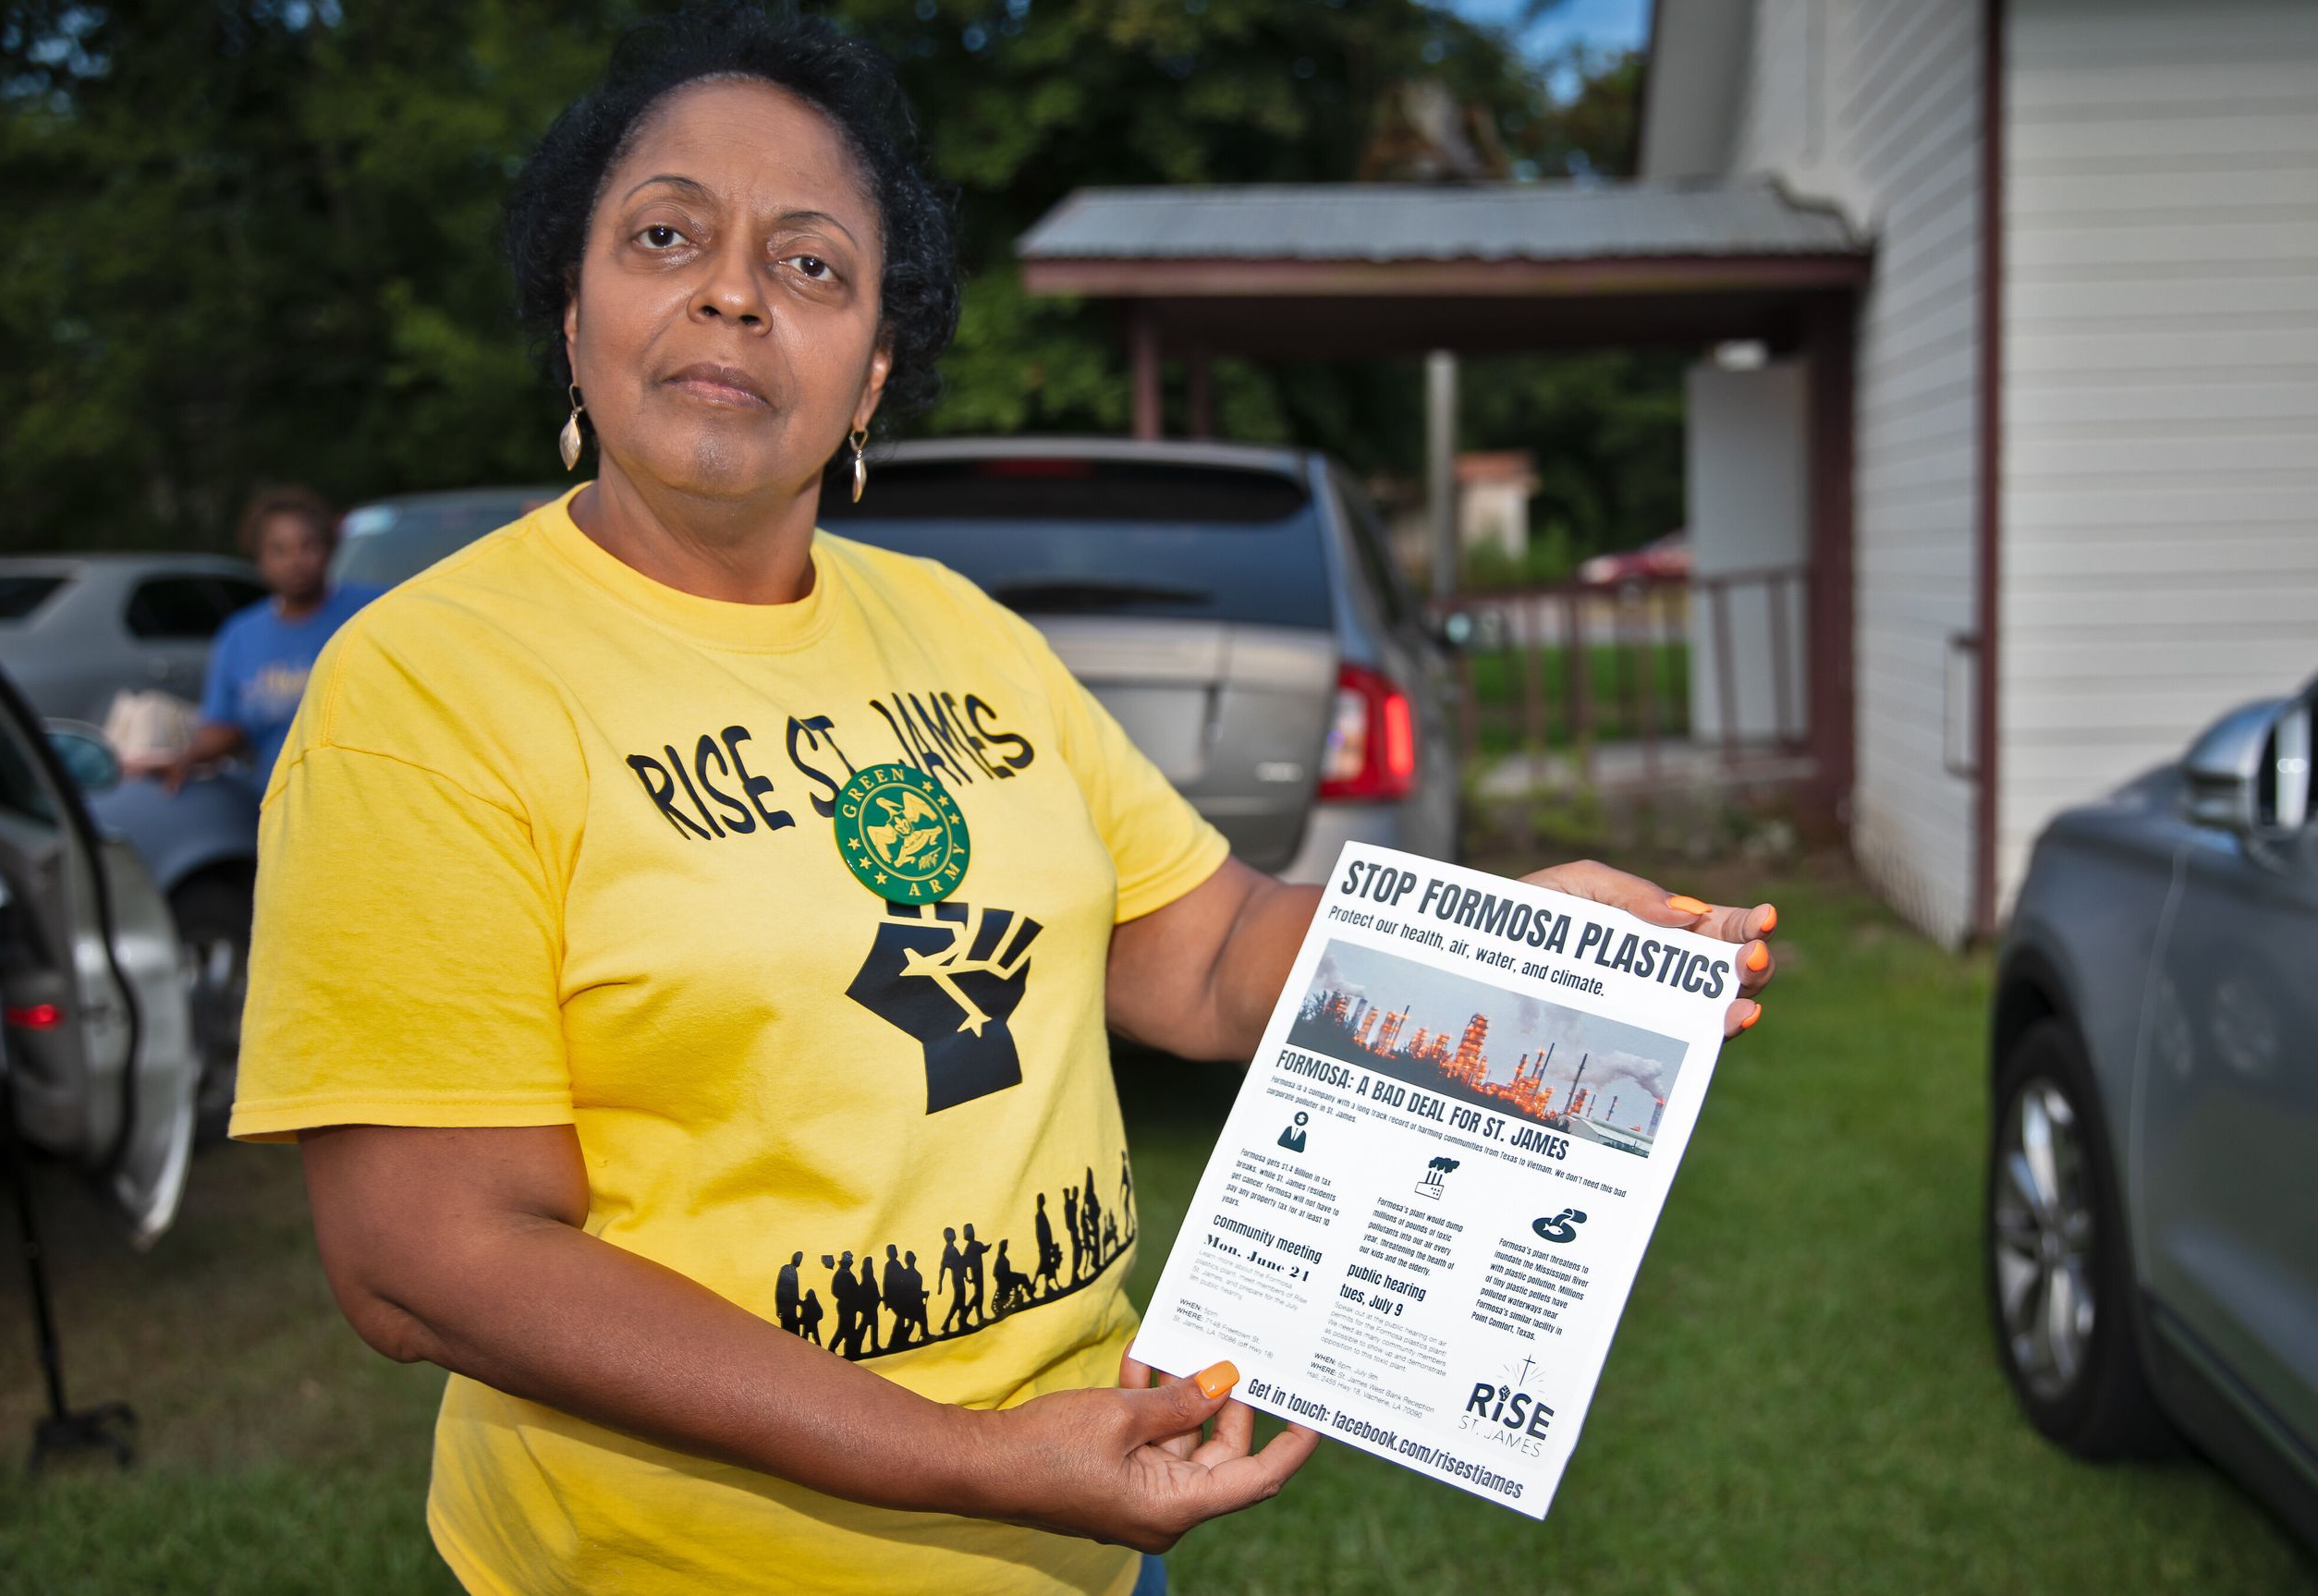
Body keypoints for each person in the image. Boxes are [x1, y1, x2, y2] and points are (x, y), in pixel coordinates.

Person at [229, 10, 1777, 1596]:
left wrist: (1512, 943)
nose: (735, 289)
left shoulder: (962, 633)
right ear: (574, 310)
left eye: (814, 264)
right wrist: (967, 1462)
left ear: (874, 369)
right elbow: (431, 1262)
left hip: (1079, 1533)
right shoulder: (423, 691)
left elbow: (1210, 947)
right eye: (667, 233)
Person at [127, 484, 378, 794]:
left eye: (307, 545)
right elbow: (225, 726)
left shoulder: (372, 612)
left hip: (367, 794)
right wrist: (185, 759)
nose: (295, 560)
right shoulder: (241, 635)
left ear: (327, 548)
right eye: (279, 550)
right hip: (283, 805)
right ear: (259, 559)